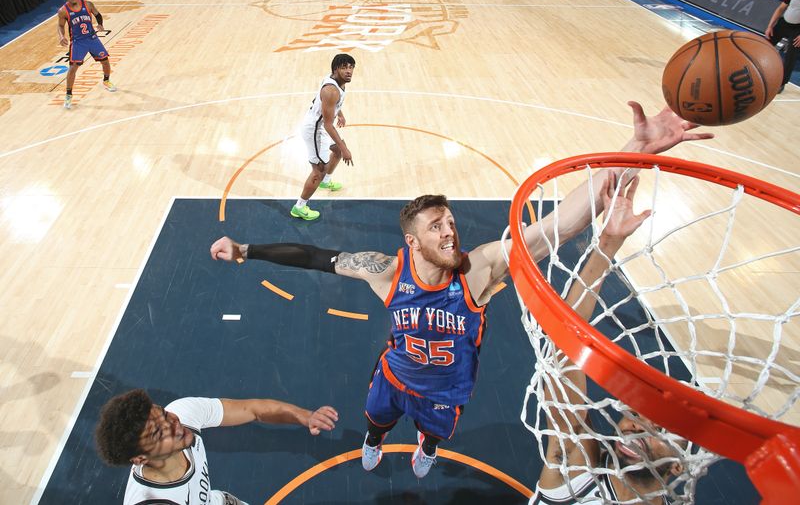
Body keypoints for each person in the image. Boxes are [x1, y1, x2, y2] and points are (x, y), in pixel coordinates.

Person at [210, 101, 712, 479]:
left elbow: (563, 224)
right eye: (436, 227)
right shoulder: (386, 270)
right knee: (376, 421)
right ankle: (375, 440)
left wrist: (632, 154)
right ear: (413, 240)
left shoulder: (480, 270)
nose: (450, 232)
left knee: (431, 436)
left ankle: (427, 447)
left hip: (448, 390)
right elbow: (316, 258)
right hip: (395, 374)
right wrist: (248, 249)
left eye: (450, 222)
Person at [532, 176, 684, 505]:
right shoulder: (575, 466)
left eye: (658, 430)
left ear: (678, 466)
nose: (636, 428)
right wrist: (607, 246)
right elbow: (564, 340)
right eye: (635, 415)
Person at [95, 389, 338, 505]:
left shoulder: (183, 412)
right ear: (140, 458)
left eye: (164, 413)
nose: (174, 424)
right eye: (159, 433)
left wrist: (304, 416)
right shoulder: (153, 501)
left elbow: (252, 409)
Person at [291, 53, 356, 221]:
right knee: (318, 170)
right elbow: (327, 125)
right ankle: (299, 207)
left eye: (351, 67)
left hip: (321, 125)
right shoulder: (331, 91)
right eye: (344, 67)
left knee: (337, 151)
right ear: (336, 69)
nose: (349, 71)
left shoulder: (337, 81)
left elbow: (331, 106)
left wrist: (339, 113)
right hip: (315, 129)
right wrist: (345, 148)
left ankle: (326, 181)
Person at [56, 0, 116, 110]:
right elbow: (60, 26)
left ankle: (106, 81)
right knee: (73, 69)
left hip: (92, 38)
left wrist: (100, 24)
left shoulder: (88, 4)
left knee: (105, 61)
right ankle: (68, 95)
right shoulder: (63, 11)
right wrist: (61, 36)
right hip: (78, 42)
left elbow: (98, 14)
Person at [766, 0, 800, 93]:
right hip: (784, 23)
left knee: (791, 56)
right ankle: (755, 68)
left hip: (797, 30)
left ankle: (782, 83)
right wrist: (770, 26)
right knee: (765, 44)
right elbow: (781, 8)